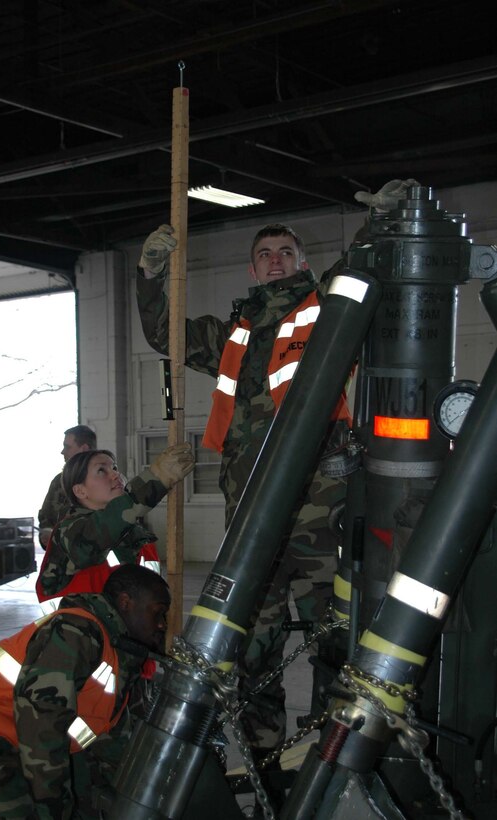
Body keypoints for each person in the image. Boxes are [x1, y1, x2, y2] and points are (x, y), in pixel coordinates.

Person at [135, 180, 417, 809]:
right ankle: (263, 772)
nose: (276, 261)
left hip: (320, 508)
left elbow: (360, 267)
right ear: (252, 267)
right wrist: (150, 273)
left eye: (286, 252)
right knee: (250, 644)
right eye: (266, 253)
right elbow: (165, 336)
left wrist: (380, 219)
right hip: (252, 514)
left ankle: (330, 764)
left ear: (304, 262)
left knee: (334, 640)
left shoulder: (327, 308)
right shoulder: (231, 331)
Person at [0, 563, 171, 819]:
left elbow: (108, 738)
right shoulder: (75, 631)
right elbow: (43, 728)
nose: (162, 625)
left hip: (11, 735)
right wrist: (55, 810)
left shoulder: (118, 650)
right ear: (125, 602)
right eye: (158, 613)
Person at [36, 444, 194, 604]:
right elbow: (109, 523)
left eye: (115, 468)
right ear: (80, 491)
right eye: (101, 471)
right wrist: (158, 478)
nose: (115, 475)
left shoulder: (133, 533)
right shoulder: (71, 531)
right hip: (73, 626)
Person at [38, 424, 98, 549]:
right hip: (58, 562)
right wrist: (46, 533)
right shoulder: (58, 481)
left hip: (90, 561)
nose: (62, 452)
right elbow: (45, 515)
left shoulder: (104, 482)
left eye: (67, 447)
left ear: (84, 449)